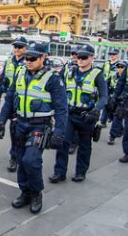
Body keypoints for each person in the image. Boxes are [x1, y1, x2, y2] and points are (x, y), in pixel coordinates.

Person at [0, 42, 67, 214]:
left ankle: (36, 193)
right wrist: (1, 121)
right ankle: (25, 192)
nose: (28, 61)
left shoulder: (53, 79)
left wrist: (59, 133)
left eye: (33, 58)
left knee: (31, 160)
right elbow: (10, 98)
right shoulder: (20, 73)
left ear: (43, 58)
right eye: (27, 57)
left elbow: (61, 108)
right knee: (21, 160)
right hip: (20, 123)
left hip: (40, 125)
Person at [50, 44, 107, 183]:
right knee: (63, 143)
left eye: (84, 57)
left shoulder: (97, 74)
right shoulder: (68, 71)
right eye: (78, 56)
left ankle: (81, 172)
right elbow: (57, 89)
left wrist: (96, 110)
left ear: (92, 57)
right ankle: (59, 172)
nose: (79, 59)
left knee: (85, 146)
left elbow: (104, 96)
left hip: (87, 116)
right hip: (69, 114)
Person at [0, 36, 27, 172]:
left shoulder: (30, 62)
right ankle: (14, 158)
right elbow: (2, 80)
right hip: (10, 99)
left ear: (25, 48)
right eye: (15, 46)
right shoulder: (8, 62)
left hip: (23, 101)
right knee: (13, 131)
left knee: (23, 131)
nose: (17, 49)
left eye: (20, 47)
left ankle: (23, 155)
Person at [99, 49, 120, 127]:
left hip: (115, 87)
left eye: (114, 54)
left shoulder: (119, 64)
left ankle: (110, 117)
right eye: (111, 54)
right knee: (105, 103)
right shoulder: (106, 63)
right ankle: (103, 121)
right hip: (106, 86)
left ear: (117, 55)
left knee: (112, 105)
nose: (112, 56)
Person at [107, 60, 126, 145]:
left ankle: (112, 136)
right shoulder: (113, 76)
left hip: (122, 101)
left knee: (117, 117)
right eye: (118, 67)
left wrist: (121, 98)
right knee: (111, 116)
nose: (120, 69)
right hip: (112, 99)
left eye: (122, 67)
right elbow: (106, 85)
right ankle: (121, 130)